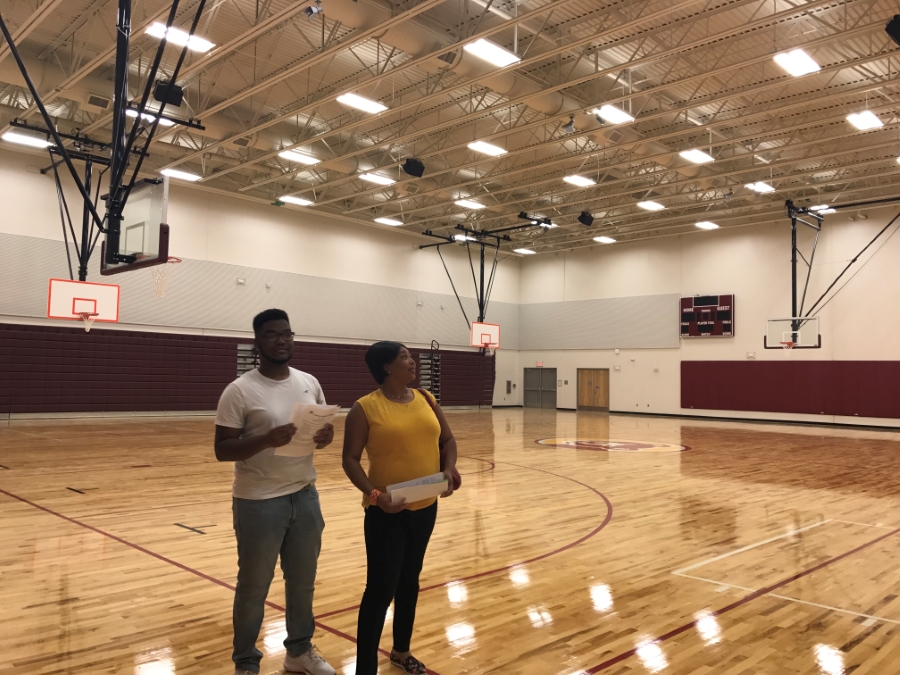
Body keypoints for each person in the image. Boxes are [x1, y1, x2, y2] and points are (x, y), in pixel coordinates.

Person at [214, 308, 337, 675]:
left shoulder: (308, 381)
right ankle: (246, 663)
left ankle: (298, 651)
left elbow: (318, 432)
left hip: (305, 494)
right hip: (258, 501)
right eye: (272, 334)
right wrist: (266, 439)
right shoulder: (239, 390)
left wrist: (326, 437)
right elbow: (223, 449)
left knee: (302, 583)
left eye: (287, 333)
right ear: (258, 341)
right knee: (254, 587)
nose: (282, 340)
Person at [342, 341, 460, 675]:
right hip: (385, 512)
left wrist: (448, 468)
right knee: (380, 590)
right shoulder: (364, 408)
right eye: (405, 357)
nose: (413, 361)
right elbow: (349, 460)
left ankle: (401, 651)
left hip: (426, 504)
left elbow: (447, 441)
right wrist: (376, 496)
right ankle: (365, 668)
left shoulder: (426, 398)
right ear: (386, 367)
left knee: (409, 580)